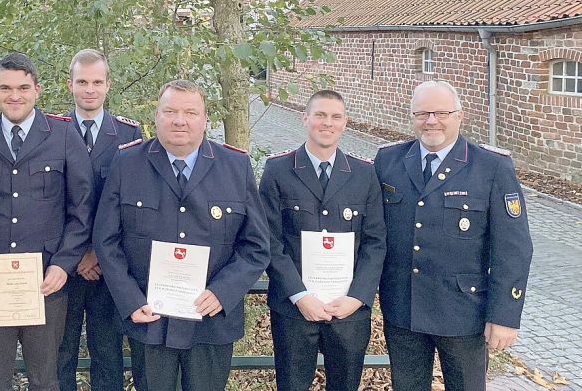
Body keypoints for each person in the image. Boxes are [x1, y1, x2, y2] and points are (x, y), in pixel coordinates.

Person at [93, 79, 270, 391]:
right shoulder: (127, 163)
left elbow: (256, 246)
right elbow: (106, 241)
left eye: (190, 112)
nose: (179, 120)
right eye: (170, 111)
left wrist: (223, 292)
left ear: (205, 119)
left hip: (210, 319)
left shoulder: (236, 166)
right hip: (149, 317)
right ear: (156, 116)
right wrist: (130, 300)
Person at [0, 52, 93, 391]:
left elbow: (82, 209)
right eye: (6, 88)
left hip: (46, 281)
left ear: (37, 90)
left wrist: (64, 264)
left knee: (45, 380)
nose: (15, 96)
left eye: (24, 88)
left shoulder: (63, 136)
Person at [374, 80, 532, 391]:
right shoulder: (388, 161)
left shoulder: (491, 167)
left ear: (460, 115)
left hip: (463, 313)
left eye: (441, 112)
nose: (431, 120)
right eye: (422, 113)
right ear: (412, 116)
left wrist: (505, 316)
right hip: (403, 308)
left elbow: (513, 248)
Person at [260, 90, 386, 391]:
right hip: (294, 309)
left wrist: (357, 297)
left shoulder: (364, 174)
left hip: (348, 309)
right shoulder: (278, 170)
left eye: (335, 117)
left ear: (345, 123)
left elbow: (375, 242)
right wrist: (300, 295)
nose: (327, 123)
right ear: (305, 119)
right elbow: (269, 240)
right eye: (320, 115)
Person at [58, 49, 144, 391]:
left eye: (96, 82)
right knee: (59, 354)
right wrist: (77, 253)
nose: (89, 89)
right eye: (82, 82)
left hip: (110, 268)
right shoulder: (53, 130)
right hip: (62, 264)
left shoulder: (128, 133)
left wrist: (97, 252)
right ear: (70, 85)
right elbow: (47, 202)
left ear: (108, 85)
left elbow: (132, 205)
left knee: (107, 355)